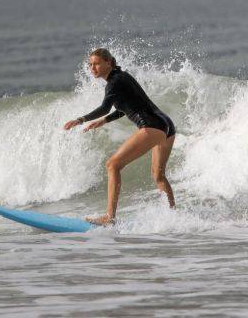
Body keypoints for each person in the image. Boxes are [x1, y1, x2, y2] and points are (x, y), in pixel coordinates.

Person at [63, 48, 176, 226]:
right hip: (166, 125)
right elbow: (128, 107)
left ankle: (109, 218)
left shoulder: (113, 83)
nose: (92, 68)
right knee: (158, 175)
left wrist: (80, 119)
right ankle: (173, 217)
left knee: (112, 165)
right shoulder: (122, 77)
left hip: (152, 126)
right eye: (90, 64)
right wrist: (105, 121)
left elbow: (104, 108)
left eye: (97, 64)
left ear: (108, 62)